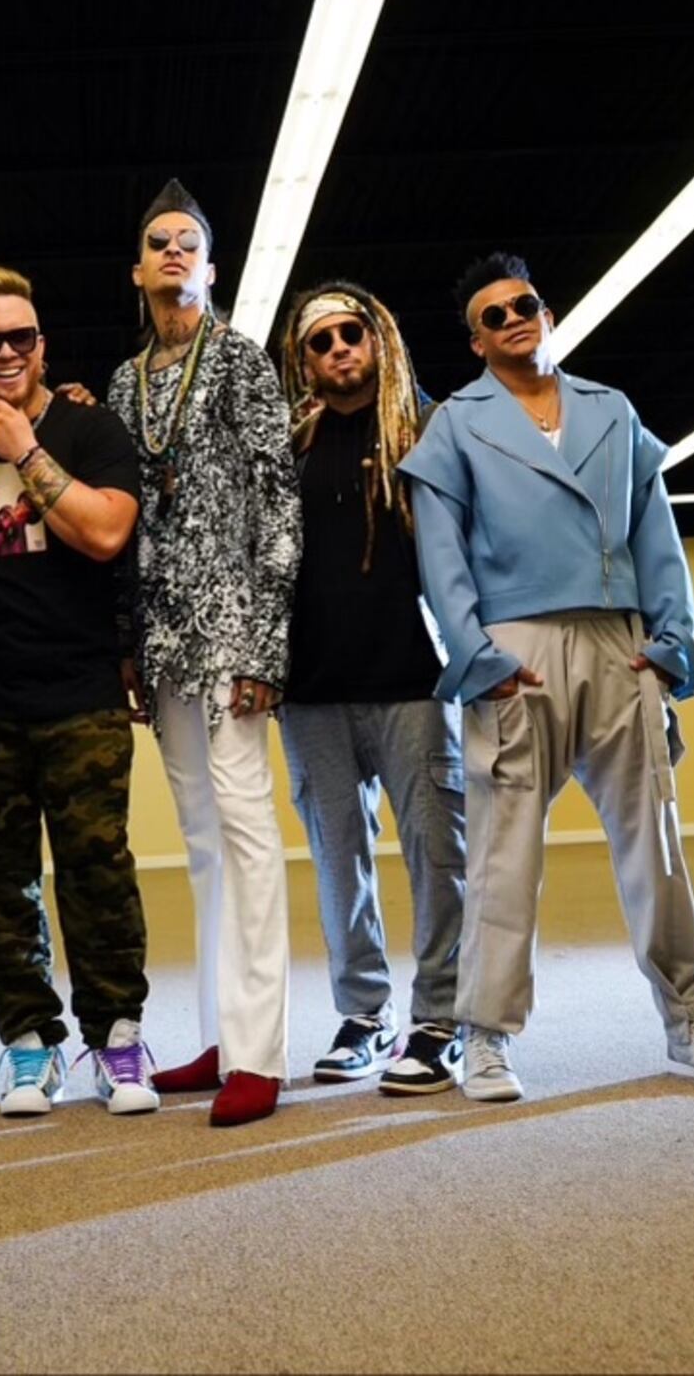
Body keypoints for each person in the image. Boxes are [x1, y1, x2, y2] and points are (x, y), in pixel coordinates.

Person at [399, 252, 694, 1100]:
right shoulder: (456, 425)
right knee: (503, 855)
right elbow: (440, 558)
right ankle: (485, 1034)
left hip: (620, 644)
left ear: (546, 314)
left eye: (525, 304)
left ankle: (689, 1017)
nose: (514, 319)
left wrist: (671, 641)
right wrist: (476, 657)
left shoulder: (610, 409)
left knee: (656, 844)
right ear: (476, 342)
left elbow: (655, 534)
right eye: (493, 315)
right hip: (517, 653)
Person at [0, 264, 157, 1118]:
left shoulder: (90, 426)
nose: (5, 351)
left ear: (42, 345)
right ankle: (28, 1043)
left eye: (20, 337)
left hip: (81, 693)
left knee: (97, 873)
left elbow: (107, 533)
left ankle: (116, 1039)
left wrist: (24, 450)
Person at [107, 180, 301, 1127]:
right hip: (162, 634)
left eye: (189, 241)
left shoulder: (242, 361)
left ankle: (261, 1054)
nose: (174, 251)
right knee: (199, 837)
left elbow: (279, 501)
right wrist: (128, 640)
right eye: (159, 242)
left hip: (232, 629)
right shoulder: (123, 381)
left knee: (247, 825)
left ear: (211, 268)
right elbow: (123, 518)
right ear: (137, 270)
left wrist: (266, 639)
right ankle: (222, 1033)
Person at [277, 281, 466, 1094]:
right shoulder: (286, 444)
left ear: (378, 337)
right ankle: (364, 1014)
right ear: (304, 361)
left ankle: (442, 1018)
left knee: (439, 852)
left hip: (414, 680)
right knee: (337, 862)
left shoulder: (429, 429)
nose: (338, 349)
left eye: (350, 332)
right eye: (319, 342)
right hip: (311, 686)